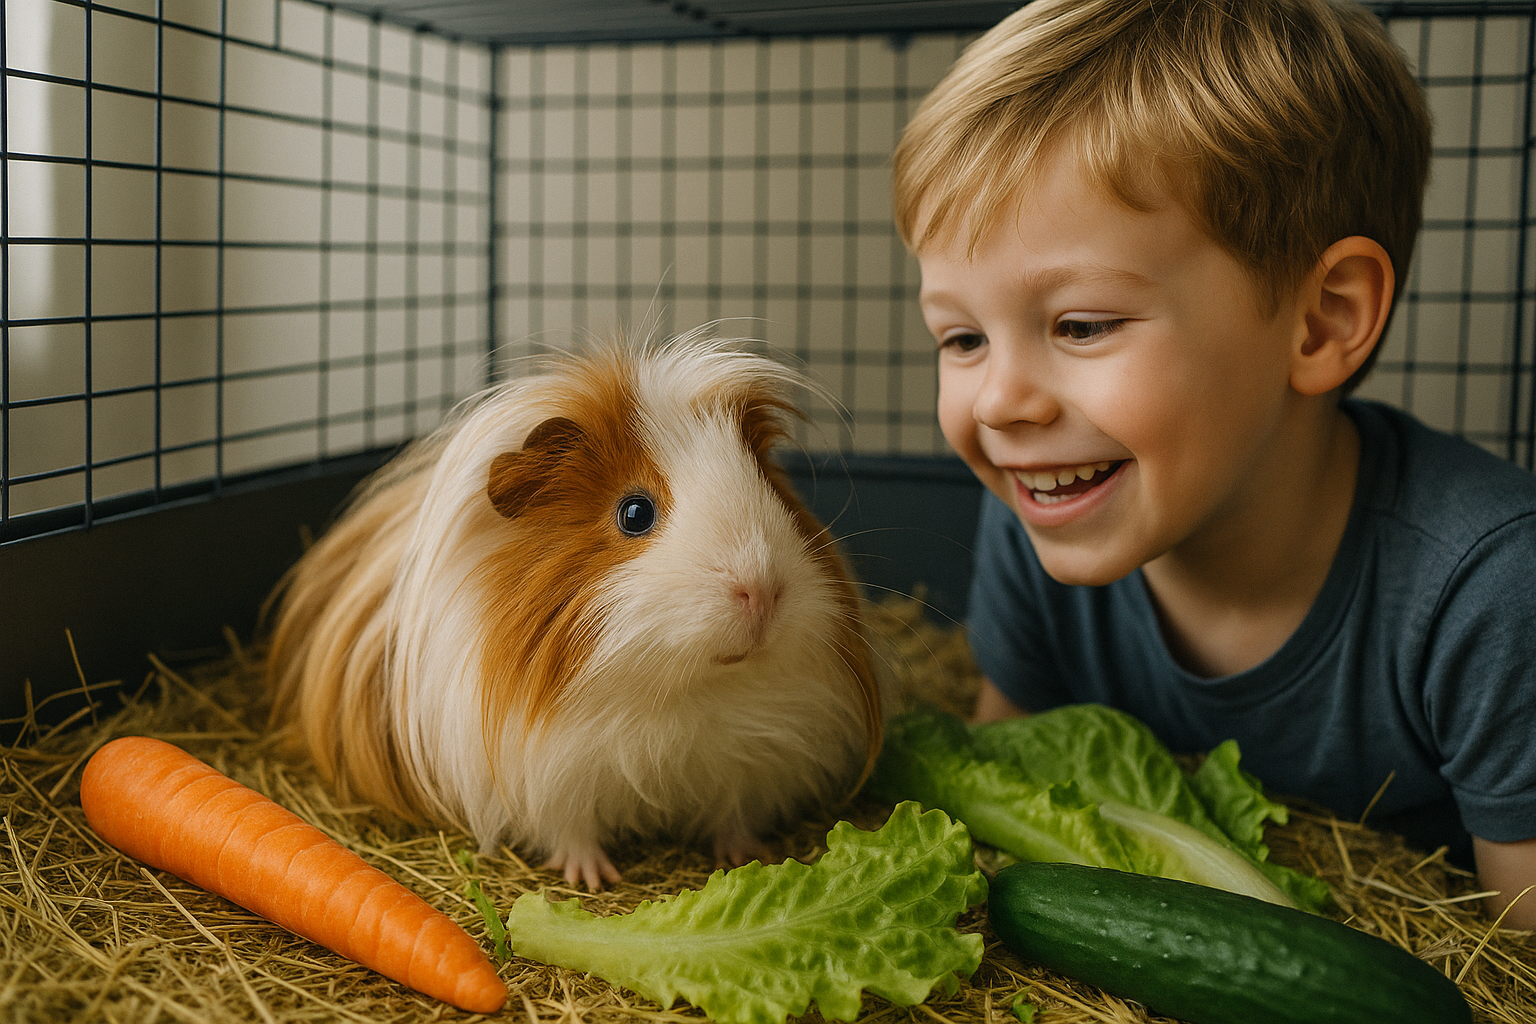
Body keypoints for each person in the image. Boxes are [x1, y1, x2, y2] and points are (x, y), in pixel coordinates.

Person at [893, 0, 1536, 927]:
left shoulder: (1490, 592)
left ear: (1322, 322)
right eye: (960, 337)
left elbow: (1518, 966)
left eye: (1081, 324)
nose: (999, 402)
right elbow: (1006, 787)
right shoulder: (1044, 510)